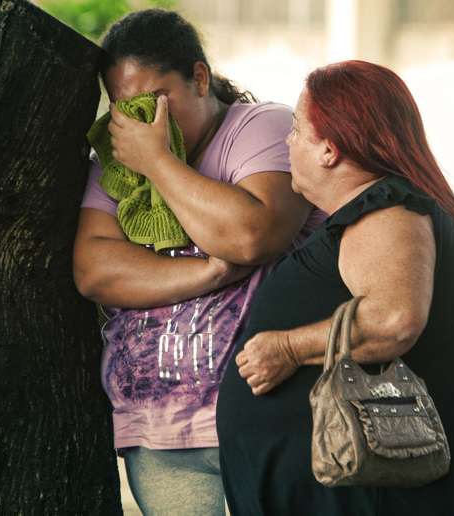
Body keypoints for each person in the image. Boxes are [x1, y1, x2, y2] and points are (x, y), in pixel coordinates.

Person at [72, 9, 323, 516]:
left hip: (263, 414)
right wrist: (207, 271)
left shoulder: (262, 127)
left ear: (199, 77)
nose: (143, 122)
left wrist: (158, 163)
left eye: (155, 100)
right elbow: (94, 270)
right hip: (157, 430)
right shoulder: (115, 167)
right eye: (127, 108)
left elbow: (252, 236)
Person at [216, 60, 454, 516]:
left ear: (330, 149)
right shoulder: (388, 210)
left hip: (364, 496)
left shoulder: (385, 209)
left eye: (298, 131)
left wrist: (285, 348)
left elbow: (392, 320)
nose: (287, 142)